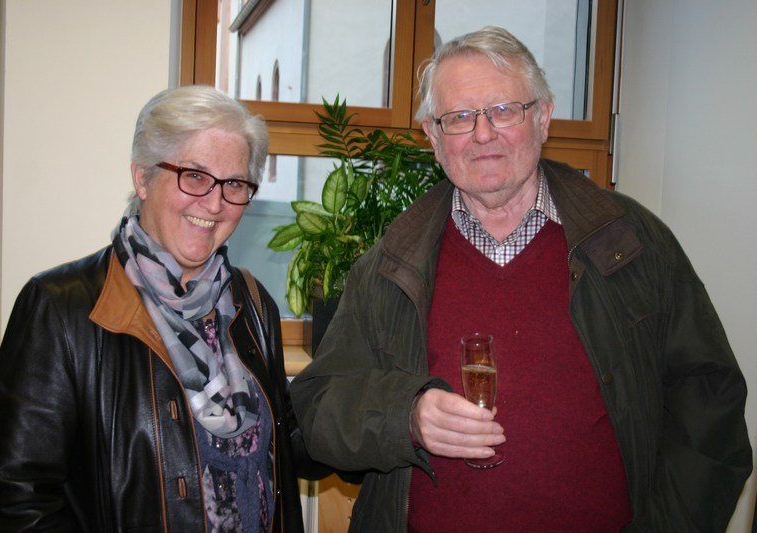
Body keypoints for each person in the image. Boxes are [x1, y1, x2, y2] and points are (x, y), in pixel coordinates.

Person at [289, 26, 752, 531]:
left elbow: (710, 410)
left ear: (544, 117)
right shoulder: (388, 265)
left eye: (504, 110)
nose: (483, 134)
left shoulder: (632, 244)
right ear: (433, 137)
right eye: (459, 117)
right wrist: (406, 416)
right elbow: (318, 410)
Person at [0, 85, 327, 531]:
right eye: (194, 176)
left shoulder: (253, 304)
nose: (215, 203)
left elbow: (287, 442)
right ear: (142, 178)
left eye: (234, 184)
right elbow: (15, 502)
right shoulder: (59, 308)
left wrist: (375, 415)